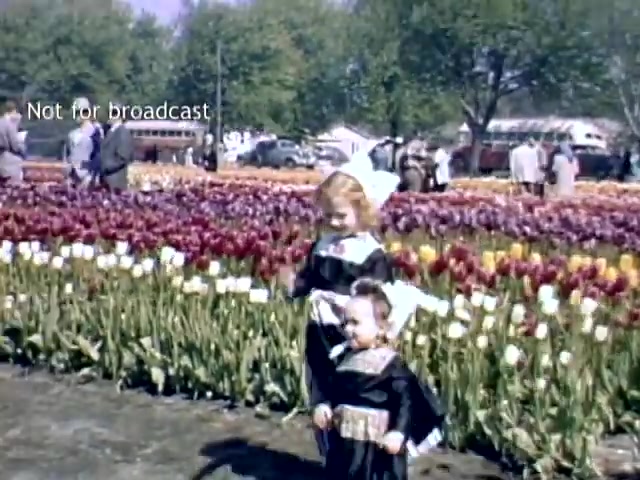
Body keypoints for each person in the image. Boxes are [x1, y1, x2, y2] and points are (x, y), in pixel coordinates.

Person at [279, 158, 400, 461]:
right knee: (321, 393)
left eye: (340, 215)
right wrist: (293, 285)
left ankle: (357, 462)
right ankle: (329, 458)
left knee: (352, 396)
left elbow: (380, 300)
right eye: (328, 215)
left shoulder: (371, 254)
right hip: (320, 332)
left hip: (353, 337)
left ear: (364, 210)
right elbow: (309, 279)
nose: (333, 222)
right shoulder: (323, 246)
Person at [311, 278, 445, 479]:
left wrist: (399, 432)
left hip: (377, 444)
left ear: (382, 327)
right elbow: (333, 389)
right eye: (346, 322)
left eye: (355, 323)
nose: (347, 329)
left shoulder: (390, 364)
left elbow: (405, 402)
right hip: (346, 439)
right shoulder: (343, 359)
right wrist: (324, 405)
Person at [100, 104, 134, 190]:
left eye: (114, 113)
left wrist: (106, 167)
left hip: (116, 182)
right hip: (107, 180)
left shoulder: (123, 132)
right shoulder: (110, 130)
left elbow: (123, 158)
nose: (111, 116)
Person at [64, 97, 97, 187]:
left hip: (87, 177)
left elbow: (97, 157)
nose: (77, 115)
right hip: (71, 177)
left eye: (79, 112)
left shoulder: (95, 132)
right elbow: (67, 155)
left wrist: (91, 175)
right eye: (75, 112)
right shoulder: (72, 134)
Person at [0, 101, 25, 183]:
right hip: (2, 154)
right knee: (18, 162)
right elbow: (15, 145)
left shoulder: (2, 121)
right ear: (13, 111)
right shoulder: (9, 124)